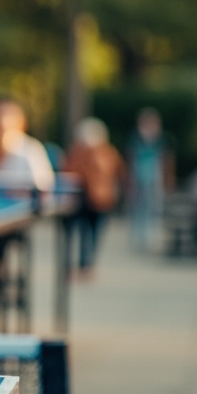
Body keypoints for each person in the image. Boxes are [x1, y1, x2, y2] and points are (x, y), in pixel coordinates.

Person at [61, 117, 125, 278]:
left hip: (99, 199)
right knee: (80, 233)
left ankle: (87, 264)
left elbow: (117, 173)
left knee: (92, 234)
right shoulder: (77, 153)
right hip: (83, 198)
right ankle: (77, 265)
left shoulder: (106, 153)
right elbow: (68, 173)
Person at [124, 107, 174, 253]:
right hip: (138, 177)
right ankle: (138, 236)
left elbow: (167, 162)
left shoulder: (162, 140)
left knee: (154, 207)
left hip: (155, 178)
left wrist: (168, 180)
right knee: (138, 207)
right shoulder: (135, 139)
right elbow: (130, 160)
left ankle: (152, 236)